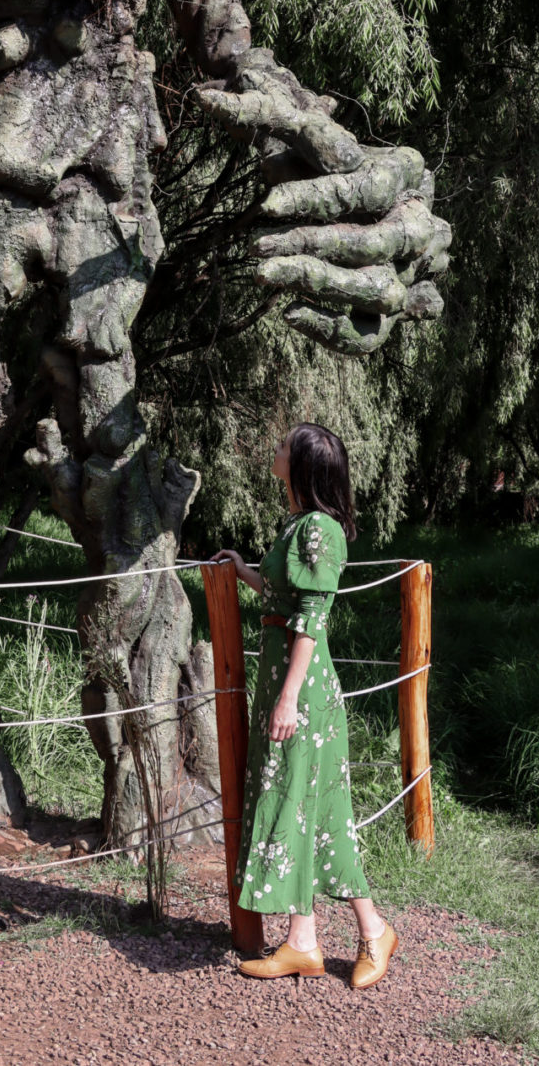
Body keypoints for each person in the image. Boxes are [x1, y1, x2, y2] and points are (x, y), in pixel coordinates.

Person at [213, 422, 398, 988]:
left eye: (283, 446)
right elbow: (283, 598)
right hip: (285, 678)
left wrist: (289, 698)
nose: (274, 449)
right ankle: (304, 942)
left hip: (303, 690)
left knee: (308, 806)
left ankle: (373, 931)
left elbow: (312, 620)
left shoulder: (319, 528)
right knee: (302, 808)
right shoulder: (299, 523)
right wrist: (243, 570)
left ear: (304, 464)